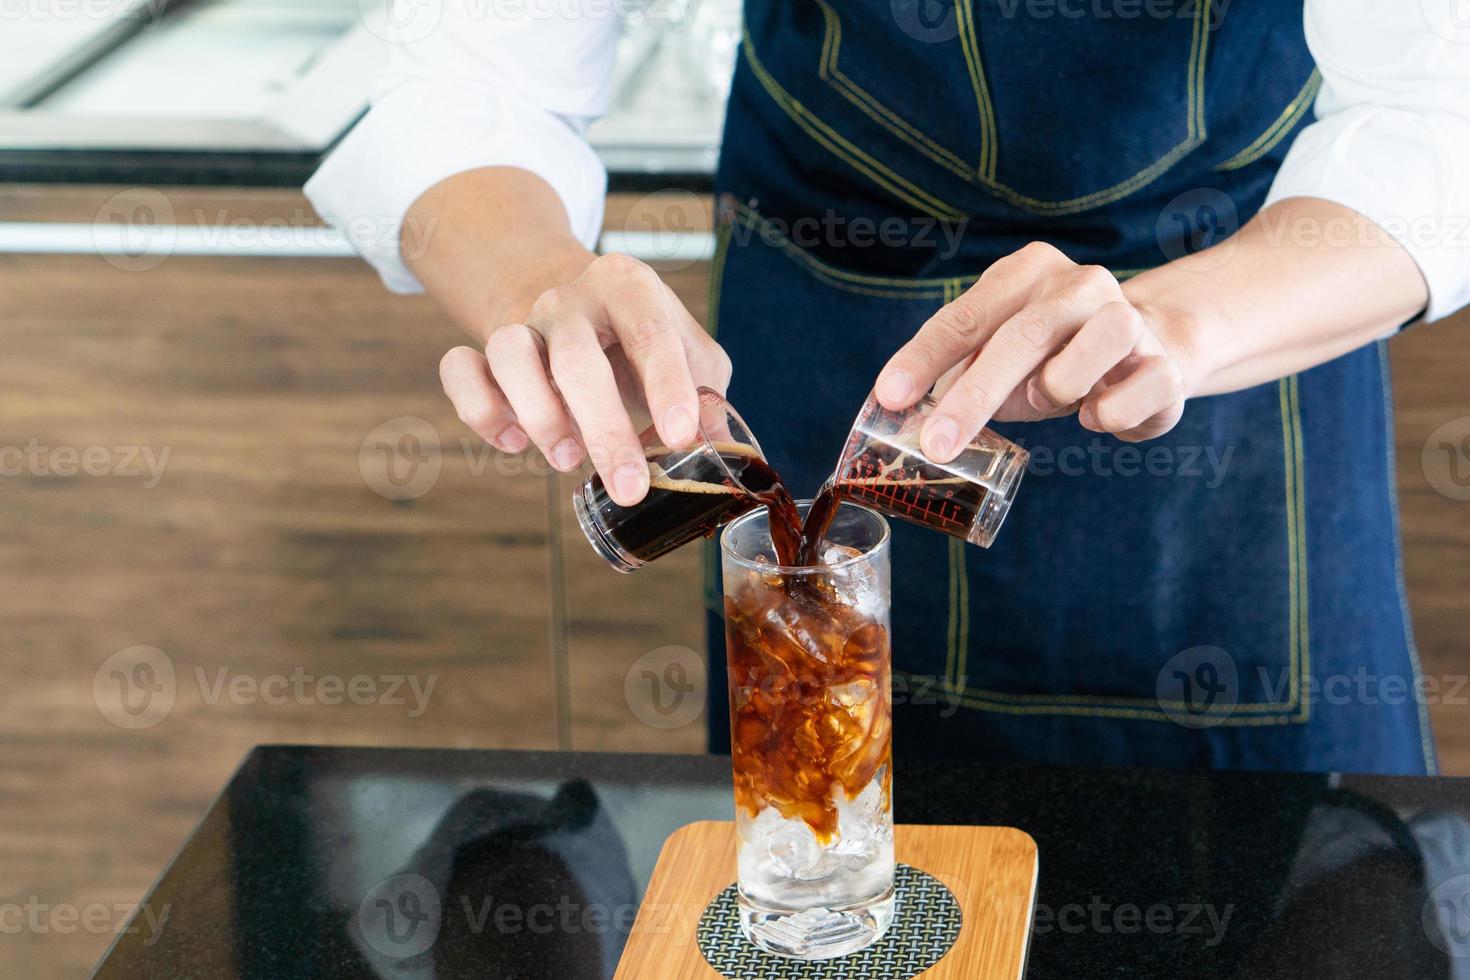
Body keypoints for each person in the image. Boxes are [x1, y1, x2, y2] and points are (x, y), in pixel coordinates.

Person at [307, 1, 1470, 775]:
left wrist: (1180, 319)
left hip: (1228, 342)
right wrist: (537, 279)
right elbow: (472, 73)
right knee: (816, 848)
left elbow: (1438, 111)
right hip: (818, 306)